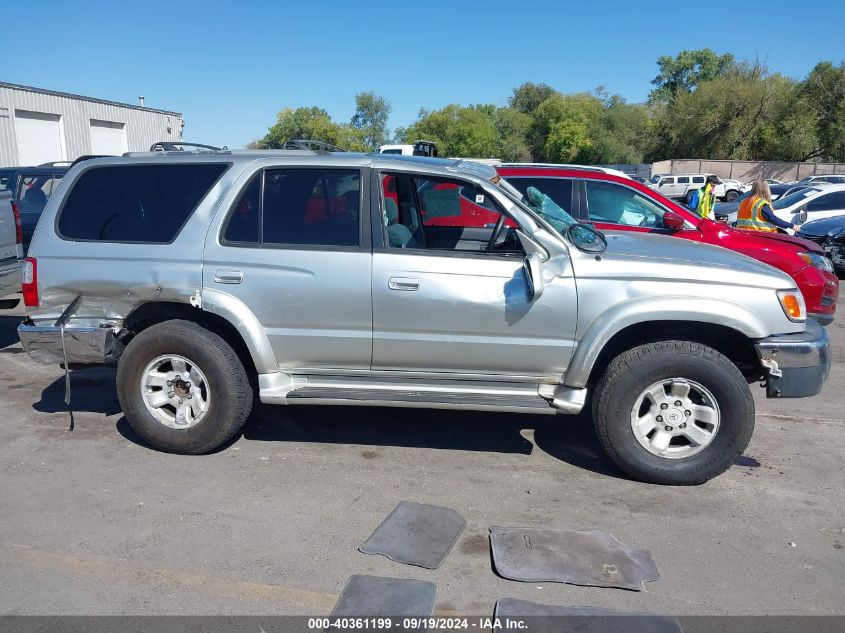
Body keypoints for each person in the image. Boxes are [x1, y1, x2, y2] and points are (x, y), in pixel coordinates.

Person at [735, 179, 799, 233]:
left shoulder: (744, 202)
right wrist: (791, 226)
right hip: (761, 235)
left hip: (743, 234)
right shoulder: (761, 203)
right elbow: (772, 218)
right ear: (766, 189)